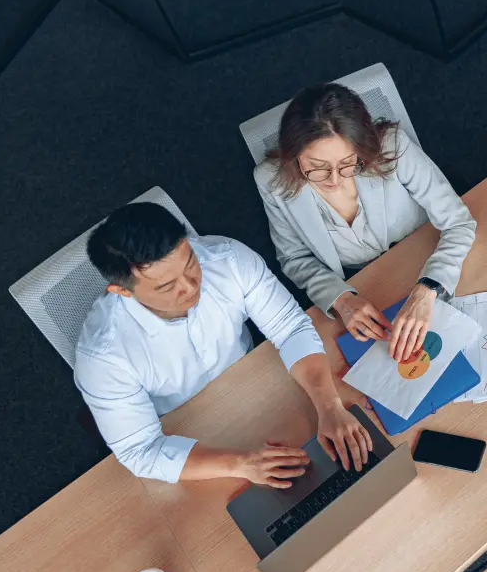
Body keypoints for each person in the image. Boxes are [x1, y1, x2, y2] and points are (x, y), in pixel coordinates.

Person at [74, 202, 373, 485]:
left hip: (256, 381)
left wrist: (330, 408)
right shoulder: (103, 358)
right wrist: (241, 464)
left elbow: (291, 328)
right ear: (122, 291)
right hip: (185, 428)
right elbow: (140, 450)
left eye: (190, 263)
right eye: (167, 286)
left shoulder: (228, 258)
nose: (191, 286)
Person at [254, 83, 476, 362]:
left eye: (348, 163)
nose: (335, 180)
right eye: (318, 168)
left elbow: (459, 223)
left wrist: (428, 288)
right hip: (364, 284)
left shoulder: (392, 147)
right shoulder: (270, 181)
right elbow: (294, 258)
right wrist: (341, 299)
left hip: (427, 255)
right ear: (293, 154)